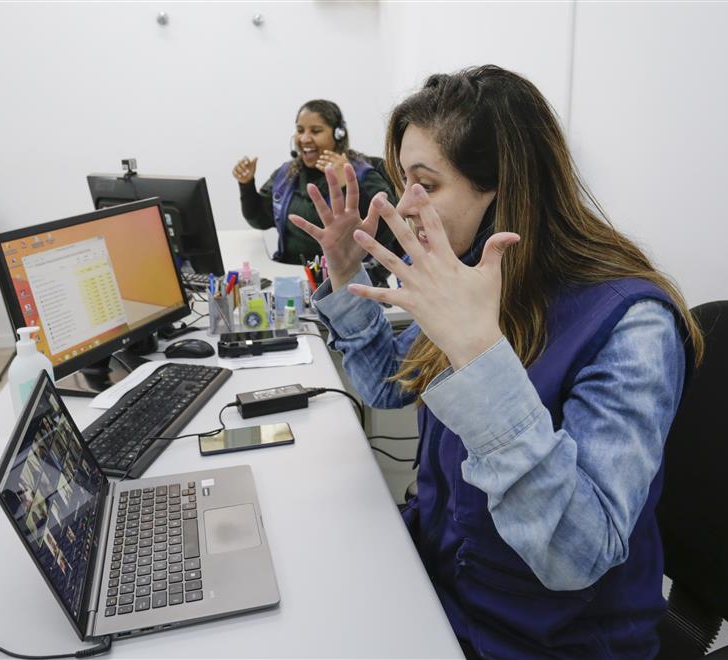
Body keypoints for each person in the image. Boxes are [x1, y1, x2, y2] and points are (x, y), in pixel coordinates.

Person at [291, 65, 704, 659]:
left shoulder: (631, 324)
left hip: (543, 640)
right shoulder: (468, 281)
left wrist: (479, 357)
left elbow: (575, 555)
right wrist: (345, 271)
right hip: (439, 593)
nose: (401, 205)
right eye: (402, 179)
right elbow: (390, 388)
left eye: (425, 184)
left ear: (504, 190)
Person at [233, 99, 399, 268]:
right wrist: (246, 185)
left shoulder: (363, 173)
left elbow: (390, 230)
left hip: (346, 277)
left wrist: (347, 184)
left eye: (316, 131)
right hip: (290, 275)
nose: (304, 138)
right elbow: (259, 220)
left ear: (338, 134)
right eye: (300, 130)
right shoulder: (286, 175)